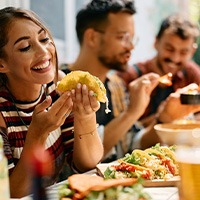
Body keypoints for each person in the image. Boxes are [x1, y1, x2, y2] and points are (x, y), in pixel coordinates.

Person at [0, 7, 104, 198]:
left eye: (44, 39)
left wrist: (86, 116)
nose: (43, 52)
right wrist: (37, 136)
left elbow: (87, 164)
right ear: (1, 64)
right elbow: (12, 194)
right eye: (25, 47)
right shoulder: (2, 115)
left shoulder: (57, 86)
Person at [60, 0, 160, 162]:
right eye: (122, 37)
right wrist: (131, 113)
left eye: (132, 39)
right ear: (92, 37)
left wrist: (164, 117)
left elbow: (132, 144)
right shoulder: (60, 86)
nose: (131, 47)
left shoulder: (116, 85)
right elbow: (80, 162)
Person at [117, 13, 200, 148]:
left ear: (192, 51)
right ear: (156, 42)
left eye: (184, 52)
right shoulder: (130, 77)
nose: (175, 58)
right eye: (169, 48)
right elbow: (123, 136)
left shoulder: (192, 74)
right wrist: (166, 116)